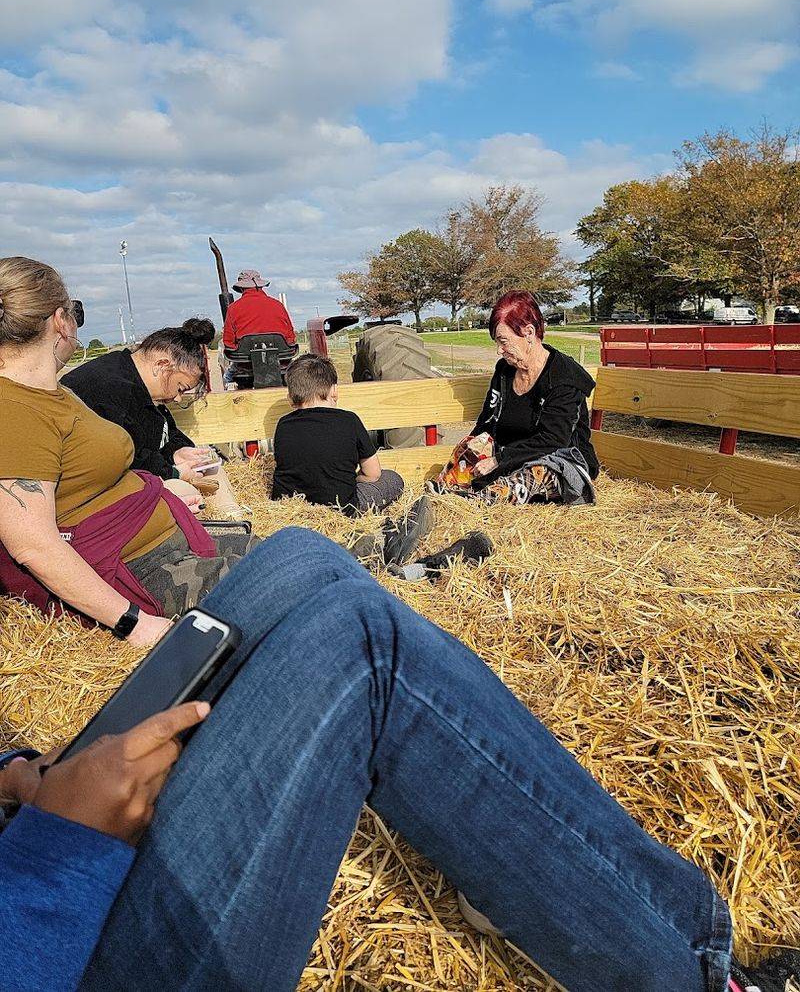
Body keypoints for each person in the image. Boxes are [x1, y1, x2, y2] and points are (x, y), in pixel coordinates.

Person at [1, 528, 796, 992]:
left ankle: (532, 868)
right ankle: (694, 975)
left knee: (300, 555)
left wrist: (12, 773)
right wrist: (53, 852)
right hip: (51, 940)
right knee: (359, 643)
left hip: (25, 863)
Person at [0, 257, 256, 646]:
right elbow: (33, 545)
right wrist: (133, 623)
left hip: (162, 541)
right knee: (302, 579)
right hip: (142, 568)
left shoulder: (53, 394)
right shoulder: (15, 409)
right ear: (61, 321)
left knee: (298, 551)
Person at [440, 291, 599, 506]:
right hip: (509, 454)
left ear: (529, 332)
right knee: (463, 458)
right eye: (497, 342)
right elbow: (487, 420)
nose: (499, 350)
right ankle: (447, 491)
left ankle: (484, 499)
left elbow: (554, 439)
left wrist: (499, 460)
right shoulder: (504, 371)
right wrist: (473, 448)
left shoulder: (565, 378)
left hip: (558, 458)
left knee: (536, 473)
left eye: (504, 342)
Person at [63, 319, 215, 485]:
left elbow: (160, 432)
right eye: (180, 388)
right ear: (162, 365)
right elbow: (127, 459)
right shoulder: (111, 391)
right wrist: (173, 473)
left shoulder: (138, 384)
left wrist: (175, 453)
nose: (178, 398)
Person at [272, 353, 404, 514]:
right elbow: (373, 474)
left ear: (291, 398)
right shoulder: (349, 420)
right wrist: (355, 480)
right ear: (334, 390)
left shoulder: (283, 424)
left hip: (289, 510)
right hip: (341, 509)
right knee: (393, 478)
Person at [222, 268, 296, 353]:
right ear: (261, 286)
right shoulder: (278, 305)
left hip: (244, 359)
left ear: (241, 288)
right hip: (281, 356)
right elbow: (291, 336)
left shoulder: (233, 308)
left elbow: (228, 341)